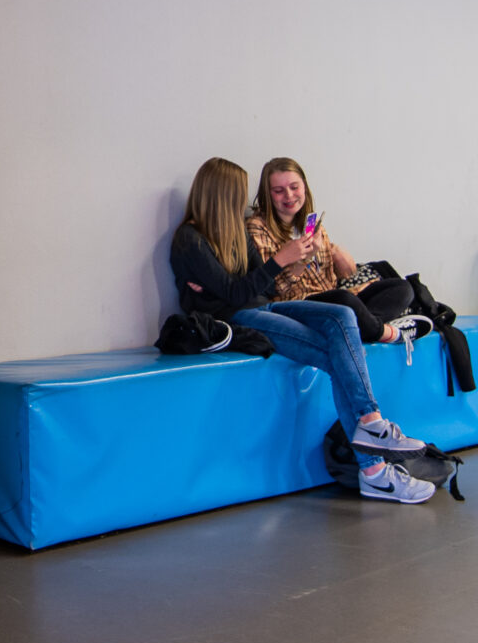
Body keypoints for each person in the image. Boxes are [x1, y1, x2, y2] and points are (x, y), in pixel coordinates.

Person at [171, 157, 438, 503]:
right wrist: (275, 264)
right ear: (221, 196)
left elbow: (263, 288)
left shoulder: (235, 232)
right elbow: (237, 295)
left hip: (262, 306)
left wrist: (228, 286)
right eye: (238, 195)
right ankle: (373, 467)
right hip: (237, 318)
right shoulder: (190, 239)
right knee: (338, 354)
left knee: (342, 314)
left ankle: (372, 428)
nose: (242, 203)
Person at [247, 157, 427, 346]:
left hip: (333, 300)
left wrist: (343, 265)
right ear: (268, 194)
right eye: (279, 191)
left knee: (402, 288)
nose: (289, 196)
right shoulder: (258, 227)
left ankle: (361, 328)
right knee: (343, 300)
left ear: (304, 187)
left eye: (294, 187)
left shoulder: (312, 223)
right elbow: (272, 290)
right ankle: (383, 332)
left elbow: (333, 282)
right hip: (296, 306)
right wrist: (302, 261)